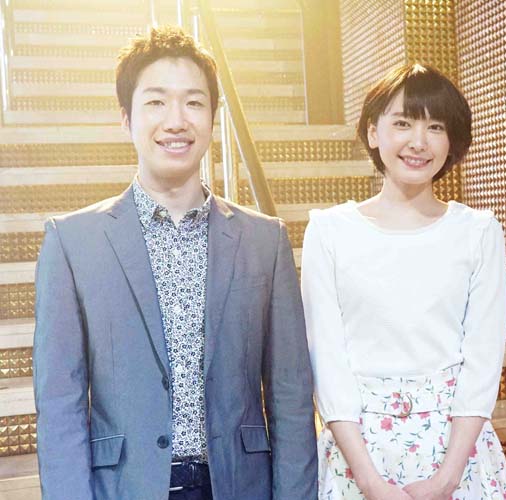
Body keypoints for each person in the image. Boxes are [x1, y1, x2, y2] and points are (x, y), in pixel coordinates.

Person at [32, 26, 317, 499]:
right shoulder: (72, 242)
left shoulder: (265, 240)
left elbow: (290, 396)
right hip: (125, 487)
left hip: (239, 486)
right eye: (156, 102)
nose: (176, 120)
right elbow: (60, 401)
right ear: (126, 118)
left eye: (194, 102)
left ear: (212, 117)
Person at [301, 63, 506, 500]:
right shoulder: (329, 230)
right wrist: (369, 482)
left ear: (451, 141)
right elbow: (328, 362)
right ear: (373, 132)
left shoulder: (478, 231)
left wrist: (447, 479)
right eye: (403, 123)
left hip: (457, 456)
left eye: (435, 127)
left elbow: (482, 361)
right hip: (358, 456)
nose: (419, 142)